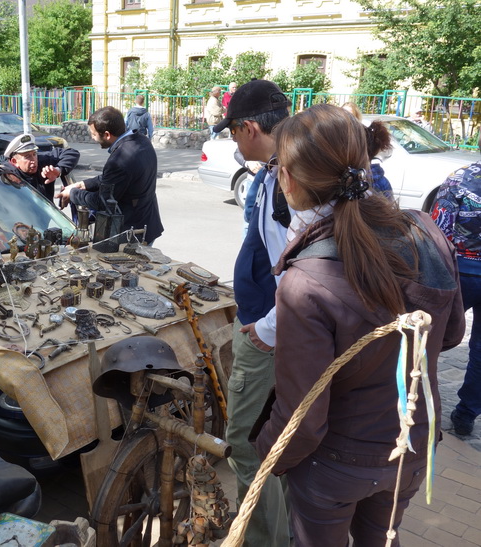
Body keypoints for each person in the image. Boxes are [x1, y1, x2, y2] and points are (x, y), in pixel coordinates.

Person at [254, 103, 464, 546]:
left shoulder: (304, 281)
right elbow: (450, 335)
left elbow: (303, 417)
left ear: (288, 180)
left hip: (334, 464)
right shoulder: (425, 230)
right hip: (410, 446)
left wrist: (266, 456)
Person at [211, 79, 293, 547]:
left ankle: (262, 539)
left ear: (247, 128)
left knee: (247, 447)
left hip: (269, 335)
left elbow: (297, 276)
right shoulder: (277, 171)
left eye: (232, 133)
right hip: (270, 329)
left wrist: (265, 331)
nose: (233, 142)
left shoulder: (285, 180)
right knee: (274, 442)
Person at [430, 132, 481, 436]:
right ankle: (466, 415)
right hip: (461, 268)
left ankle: (418, 399)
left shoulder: (460, 178)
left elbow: (439, 230)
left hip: (459, 269)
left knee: (432, 336)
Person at [58, 106, 164, 244]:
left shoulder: (119, 160)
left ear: (107, 134)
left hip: (131, 236)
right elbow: (116, 180)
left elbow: (102, 202)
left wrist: (73, 193)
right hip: (146, 224)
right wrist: (83, 184)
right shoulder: (142, 140)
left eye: (94, 134)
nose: (92, 137)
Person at [1, 133, 81, 205]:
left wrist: (58, 170)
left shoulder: (41, 159)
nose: (34, 160)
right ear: (15, 161)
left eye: (34, 154)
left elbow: (72, 153)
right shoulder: (7, 173)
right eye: (27, 156)